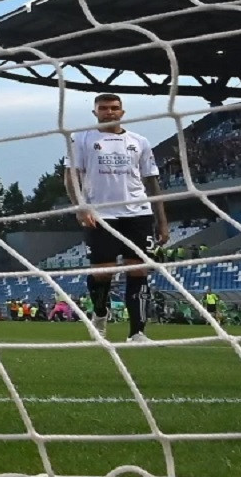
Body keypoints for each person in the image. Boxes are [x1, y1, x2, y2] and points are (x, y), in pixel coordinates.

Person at [67, 94, 169, 343]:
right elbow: (71, 176)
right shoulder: (81, 139)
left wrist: (163, 221)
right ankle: (100, 314)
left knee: (139, 270)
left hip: (138, 213)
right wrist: (80, 207)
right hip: (101, 214)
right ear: (95, 113)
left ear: (122, 112)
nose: (109, 112)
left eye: (114, 108)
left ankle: (137, 332)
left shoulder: (139, 141)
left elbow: (152, 181)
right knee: (103, 273)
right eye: (103, 108)